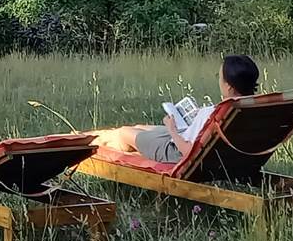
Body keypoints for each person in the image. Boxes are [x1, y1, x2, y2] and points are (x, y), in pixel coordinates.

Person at [92, 54, 261, 164]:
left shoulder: (216, 114)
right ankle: (99, 137)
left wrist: (172, 129)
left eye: (220, 77)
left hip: (176, 151)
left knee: (124, 132)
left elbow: (188, 152)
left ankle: (92, 143)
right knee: (139, 127)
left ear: (229, 86)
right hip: (214, 150)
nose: (219, 81)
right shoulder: (256, 109)